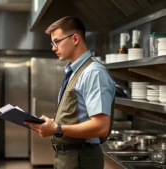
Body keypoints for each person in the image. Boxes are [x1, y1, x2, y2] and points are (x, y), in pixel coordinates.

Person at [24, 16, 116, 169]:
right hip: (68, 158)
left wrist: (56, 129)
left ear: (74, 39)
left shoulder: (93, 73)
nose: (54, 47)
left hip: (81, 160)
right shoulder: (75, 71)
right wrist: (52, 123)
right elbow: (77, 116)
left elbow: (101, 127)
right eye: (52, 43)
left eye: (57, 41)